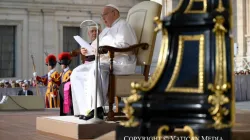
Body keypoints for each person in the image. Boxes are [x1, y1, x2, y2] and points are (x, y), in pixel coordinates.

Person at [70, 4, 138, 120]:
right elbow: (94, 46)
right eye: (102, 16)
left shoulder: (123, 25)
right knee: (77, 72)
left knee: (96, 69)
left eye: (105, 15)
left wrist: (104, 51)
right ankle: (85, 109)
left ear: (115, 13)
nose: (103, 18)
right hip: (106, 61)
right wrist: (86, 50)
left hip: (120, 62)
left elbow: (126, 46)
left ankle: (98, 109)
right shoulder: (106, 30)